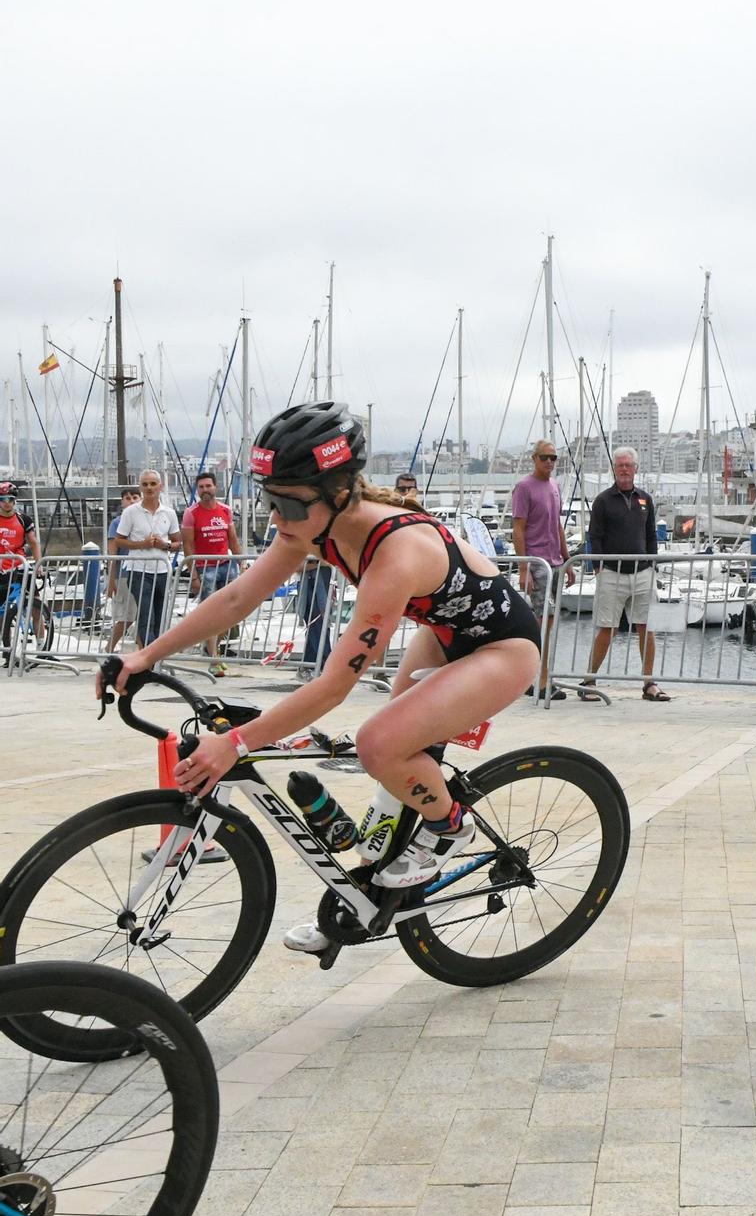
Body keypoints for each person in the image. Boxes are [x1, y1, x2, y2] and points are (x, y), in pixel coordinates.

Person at [109, 403, 544, 956]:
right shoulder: (313, 527)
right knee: (392, 759)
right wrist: (145, 656)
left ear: (339, 493)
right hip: (445, 631)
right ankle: (362, 899)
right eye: (270, 500)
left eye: (288, 503)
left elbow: (335, 684)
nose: (275, 517)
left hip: (503, 648)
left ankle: (451, 825)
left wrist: (237, 742)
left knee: (379, 742)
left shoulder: (397, 553)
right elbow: (239, 597)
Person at [579, 447, 665, 701]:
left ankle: (649, 683)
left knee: (647, 627)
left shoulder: (645, 499)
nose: (624, 470)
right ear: (614, 470)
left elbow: (651, 534)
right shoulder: (603, 500)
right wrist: (598, 566)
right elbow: (595, 535)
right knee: (607, 628)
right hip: (612, 572)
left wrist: (652, 562)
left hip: (642, 571)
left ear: (636, 468)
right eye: (620, 466)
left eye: (628, 465)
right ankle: (589, 679)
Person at [510, 440, 572, 700]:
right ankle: (536, 678)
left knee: (550, 620)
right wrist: (524, 568)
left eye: (553, 458)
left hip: (556, 561)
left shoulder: (554, 486)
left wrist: (568, 560)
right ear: (534, 458)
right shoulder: (524, 487)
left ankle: (542, 676)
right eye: (545, 457)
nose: (549, 462)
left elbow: (557, 525)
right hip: (537, 563)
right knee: (542, 621)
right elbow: (518, 528)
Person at [182, 471, 245, 671]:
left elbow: (233, 539)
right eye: (201, 487)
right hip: (205, 567)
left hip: (227, 565)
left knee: (228, 612)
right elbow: (188, 545)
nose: (205, 490)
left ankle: (212, 650)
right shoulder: (191, 513)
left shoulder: (225, 510)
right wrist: (193, 575)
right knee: (210, 612)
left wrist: (242, 563)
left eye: (208, 486)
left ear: (215, 487)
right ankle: (213, 659)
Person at [116, 470, 180, 649]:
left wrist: (164, 545)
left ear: (161, 486)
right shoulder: (130, 512)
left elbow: (177, 543)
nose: (149, 488)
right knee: (146, 616)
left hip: (162, 571)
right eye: (145, 484)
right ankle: (149, 658)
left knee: (160, 618)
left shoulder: (169, 513)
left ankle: (156, 656)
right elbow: (119, 539)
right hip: (138, 571)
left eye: (153, 484)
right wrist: (142, 544)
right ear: (140, 487)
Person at [0, 482, 42, 640]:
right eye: (2, 499)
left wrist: (39, 565)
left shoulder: (23, 519)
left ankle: (42, 647)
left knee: (36, 606)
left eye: (10, 499)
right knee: (3, 615)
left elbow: (34, 542)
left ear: (14, 500)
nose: (6, 502)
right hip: (1, 571)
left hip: (19, 567)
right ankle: (7, 651)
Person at [103, 485, 141, 651]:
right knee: (127, 616)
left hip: (143, 572)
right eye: (128, 498)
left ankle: (144, 650)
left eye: (135, 497)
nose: (132, 501)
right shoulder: (117, 523)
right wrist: (111, 580)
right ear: (122, 502)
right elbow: (113, 555)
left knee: (142, 615)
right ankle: (109, 648)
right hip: (124, 575)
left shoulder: (144, 519)